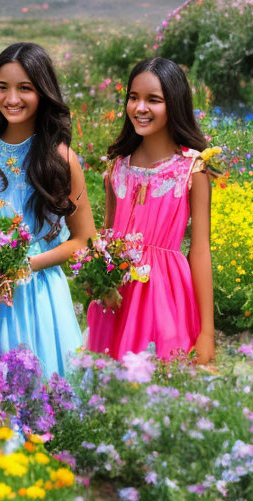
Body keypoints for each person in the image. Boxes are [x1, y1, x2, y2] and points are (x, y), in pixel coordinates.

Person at [0, 42, 93, 378]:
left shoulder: (61, 159)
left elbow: (84, 239)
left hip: (41, 294)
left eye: (24, 88)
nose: (11, 98)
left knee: (47, 399)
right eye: (2, 88)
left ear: (43, 92)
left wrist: (26, 265)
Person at [86, 57, 215, 364]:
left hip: (166, 297)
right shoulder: (117, 168)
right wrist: (94, 275)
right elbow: (106, 237)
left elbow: (200, 251)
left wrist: (207, 332)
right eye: (133, 97)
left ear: (175, 104)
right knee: (110, 389)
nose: (140, 108)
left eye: (153, 100)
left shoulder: (192, 170)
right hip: (118, 298)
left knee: (163, 388)